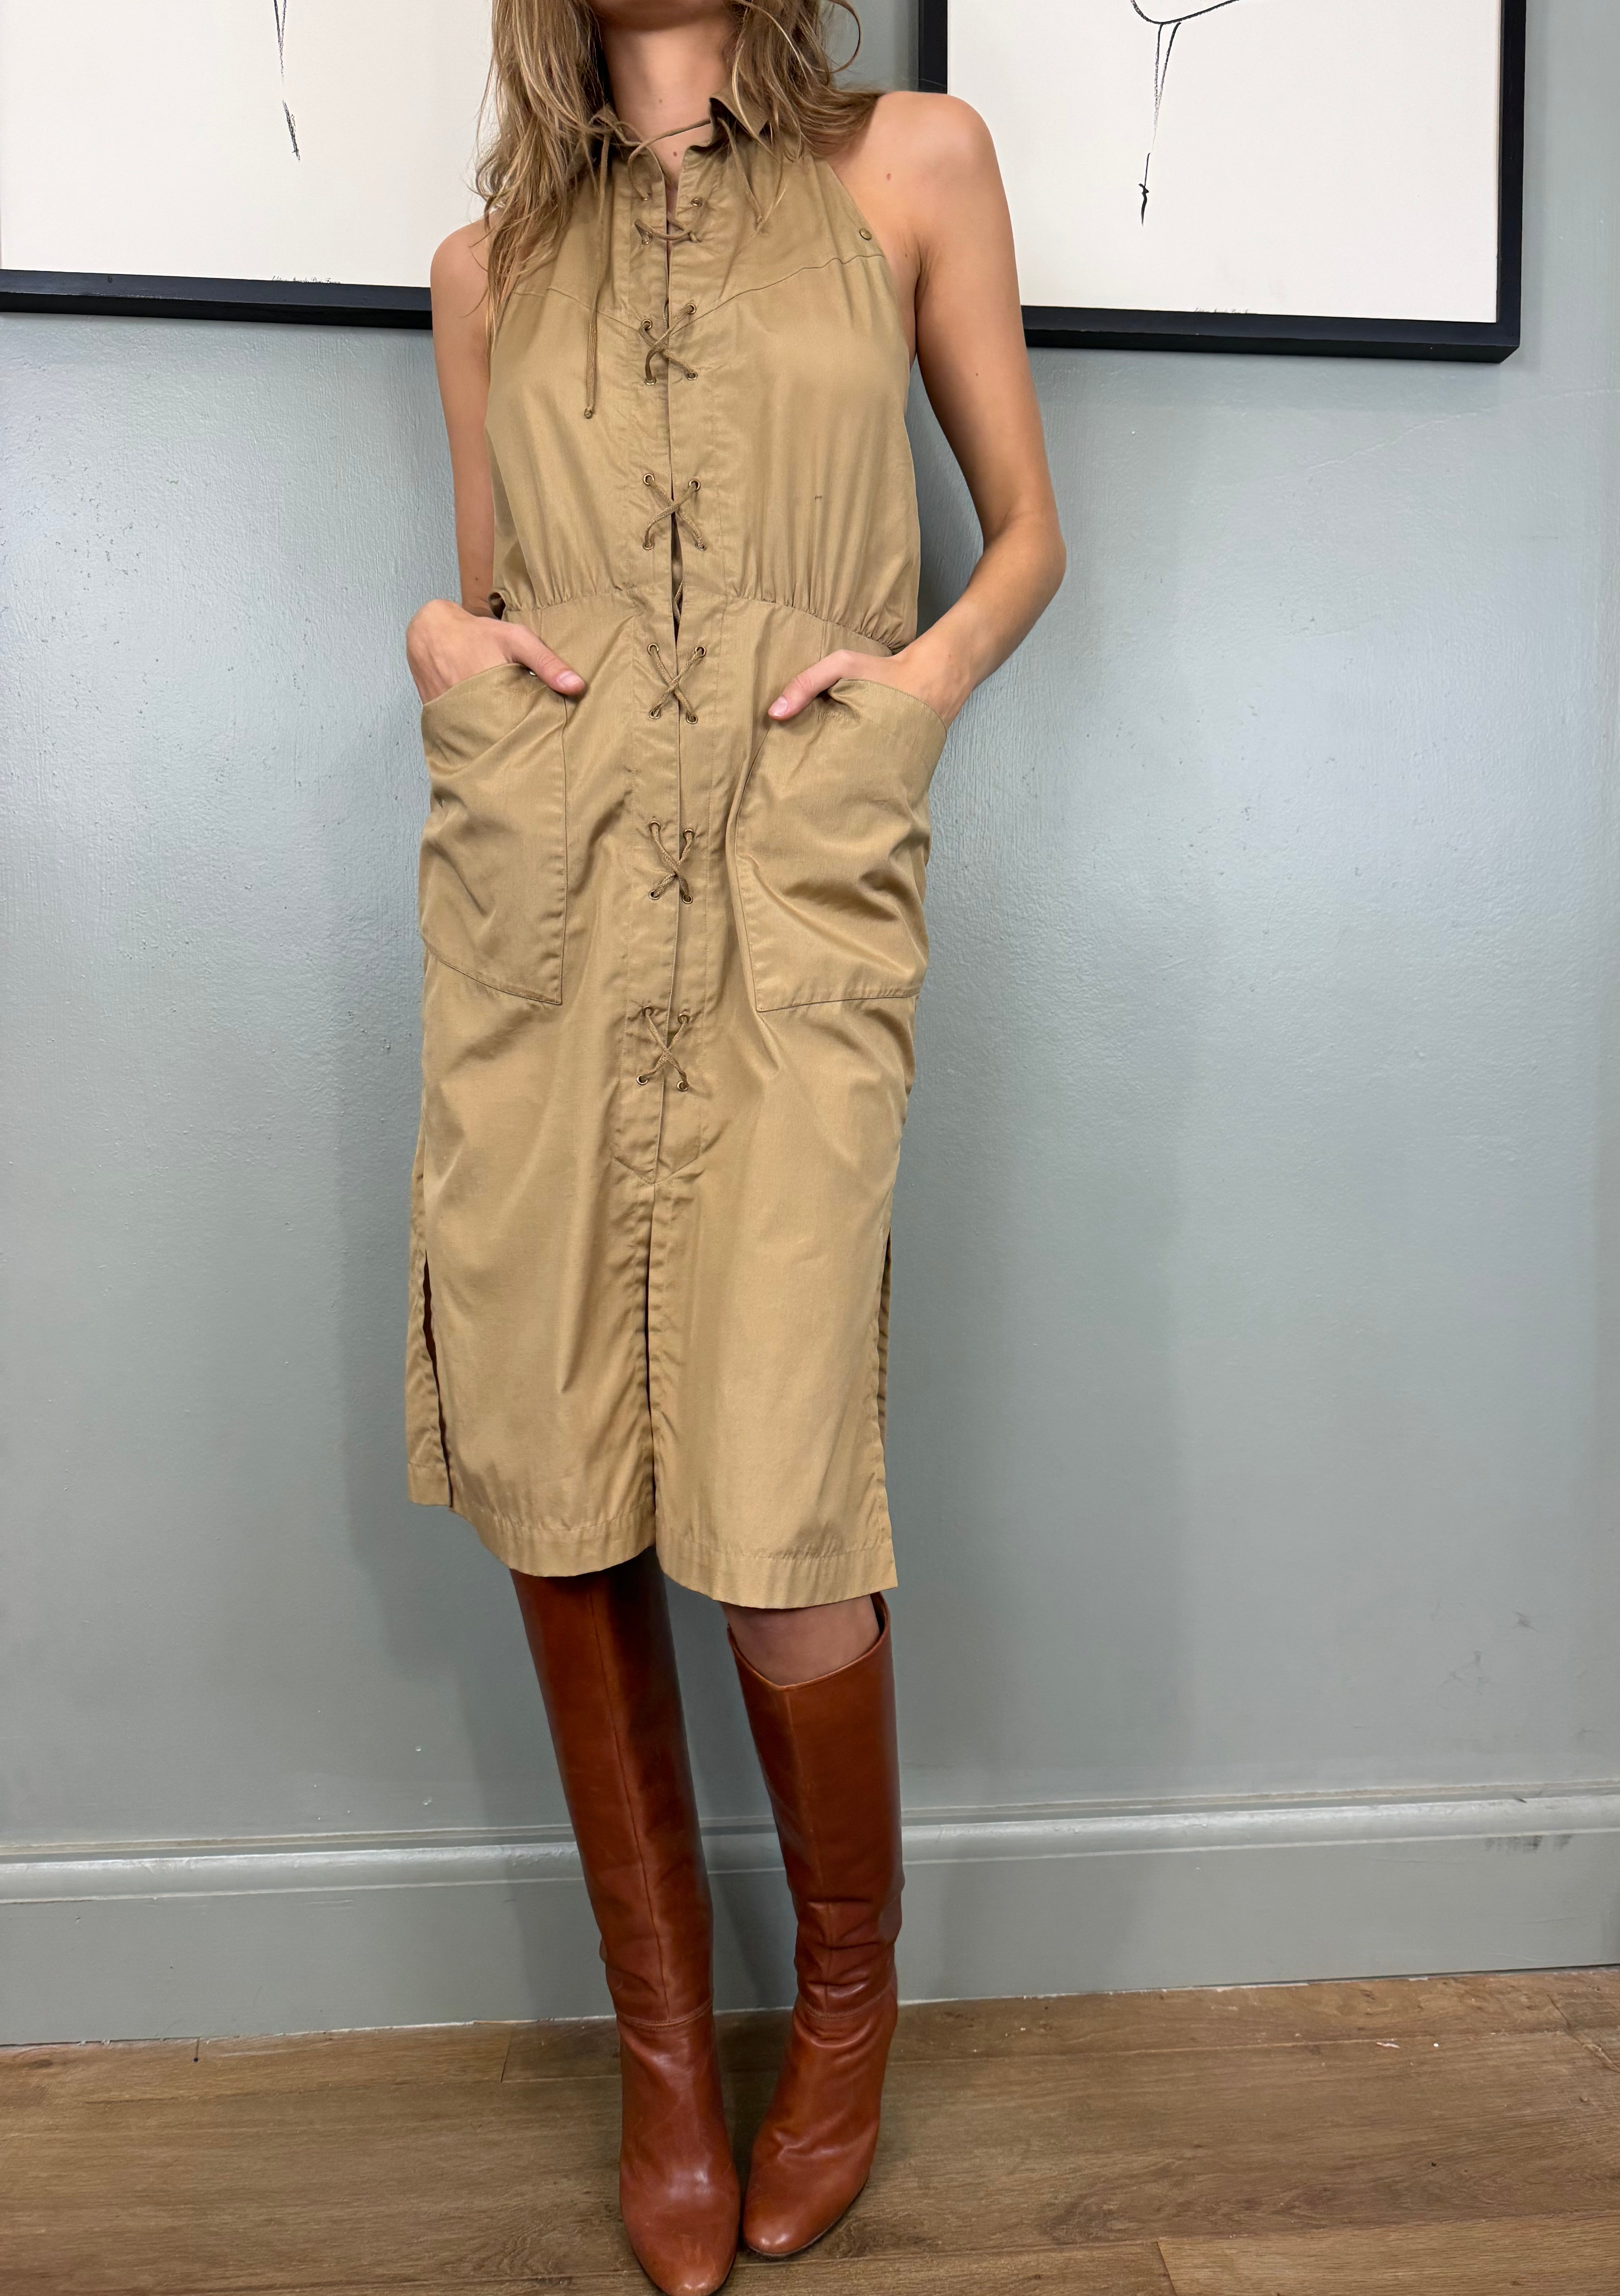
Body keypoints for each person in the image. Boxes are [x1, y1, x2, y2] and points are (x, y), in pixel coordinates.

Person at [404, 4, 1063, 2289]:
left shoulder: (915, 164)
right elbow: (500, 599)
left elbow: (1029, 537)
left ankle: (846, 2009)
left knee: (783, 1493)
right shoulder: (490, 267)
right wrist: (441, 647)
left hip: (799, 886)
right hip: (546, 906)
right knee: (555, 1457)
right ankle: (668, 2057)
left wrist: (919, 686)